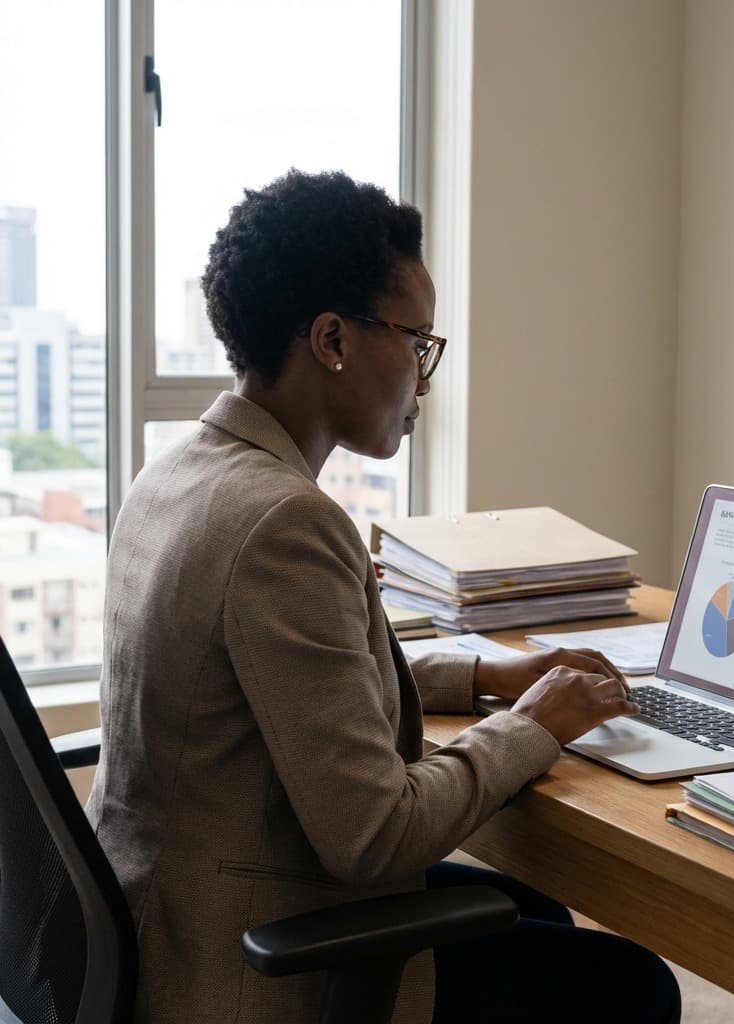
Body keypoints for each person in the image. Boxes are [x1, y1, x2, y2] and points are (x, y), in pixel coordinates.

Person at [86, 168, 681, 1024]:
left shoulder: (183, 473)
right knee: (632, 986)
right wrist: (535, 724)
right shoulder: (283, 522)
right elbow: (375, 838)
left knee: (533, 913)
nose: (425, 380)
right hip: (237, 963)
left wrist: (488, 675)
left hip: (159, 907)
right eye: (418, 341)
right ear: (332, 338)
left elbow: (294, 679)